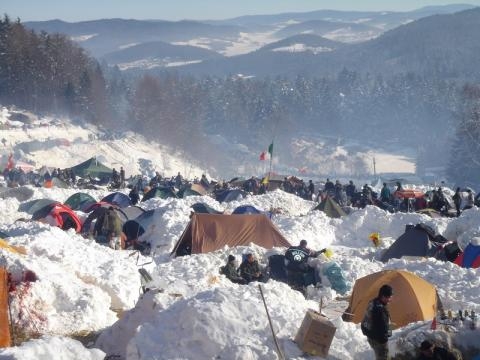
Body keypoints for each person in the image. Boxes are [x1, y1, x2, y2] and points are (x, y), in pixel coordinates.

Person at [361, 284, 393, 360]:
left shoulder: (373, 301)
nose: (390, 299)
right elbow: (382, 329)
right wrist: (385, 341)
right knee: (383, 357)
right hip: (379, 340)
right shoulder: (380, 310)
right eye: (388, 297)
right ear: (383, 296)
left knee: (379, 355)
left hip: (370, 336)